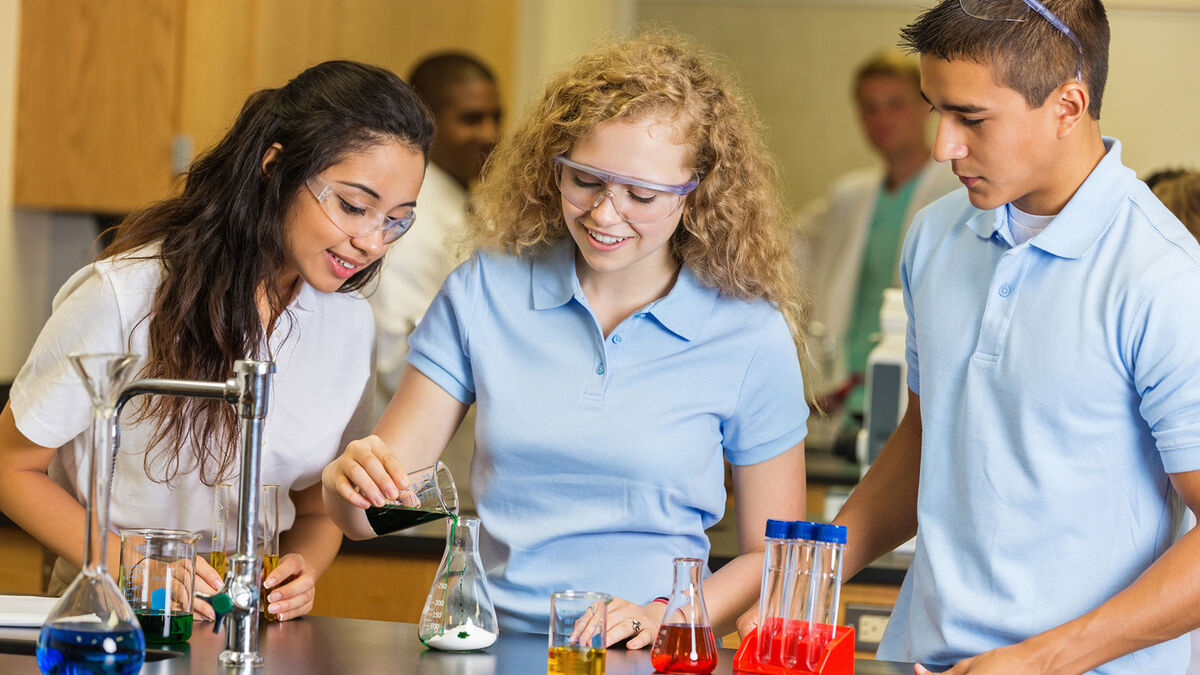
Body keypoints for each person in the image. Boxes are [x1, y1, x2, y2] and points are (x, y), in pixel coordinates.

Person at [746, 1, 1200, 672]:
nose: (942, 146)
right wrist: (804, 581)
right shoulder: (936, 234)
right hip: (931, 656)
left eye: (972, 119)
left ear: (1068, 106)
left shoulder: (1163, 275)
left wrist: (1041, 659)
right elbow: (928, 438)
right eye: (937, 110)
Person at [322, 33, 809, 644]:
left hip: (647, 650)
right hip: (491, 645)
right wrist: (345, 487)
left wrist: (668, 615)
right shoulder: (485, 292)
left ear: (698, 192)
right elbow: (375, 513)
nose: (605, 215)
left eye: (642, 195)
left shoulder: (748, 332)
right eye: (585, 180)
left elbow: (776, 554)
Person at [0, 61, 433, 622]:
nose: (372, 241)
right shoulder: (123, 295)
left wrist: (302, 569)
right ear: (274, 167)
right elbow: (11, 468)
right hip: (113, 615)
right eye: (353, 206)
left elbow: (316, 506)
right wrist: (131, 562)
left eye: (396, 220)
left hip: (244, 622)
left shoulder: (349, 324)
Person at [798, 50, 959, 422]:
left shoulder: (958, 190)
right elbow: (782, 253)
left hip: (916, 394)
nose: (881, 118)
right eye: (869, 107)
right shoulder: (848, 198)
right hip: (844, 395)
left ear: (926, 108)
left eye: (894, 104)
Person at [370, 52, 503, 414]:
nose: (490, 135)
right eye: (471, 119)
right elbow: (398, 358)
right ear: (425, 119)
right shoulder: (406, 217)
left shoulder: (469, 202)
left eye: (496, 118)